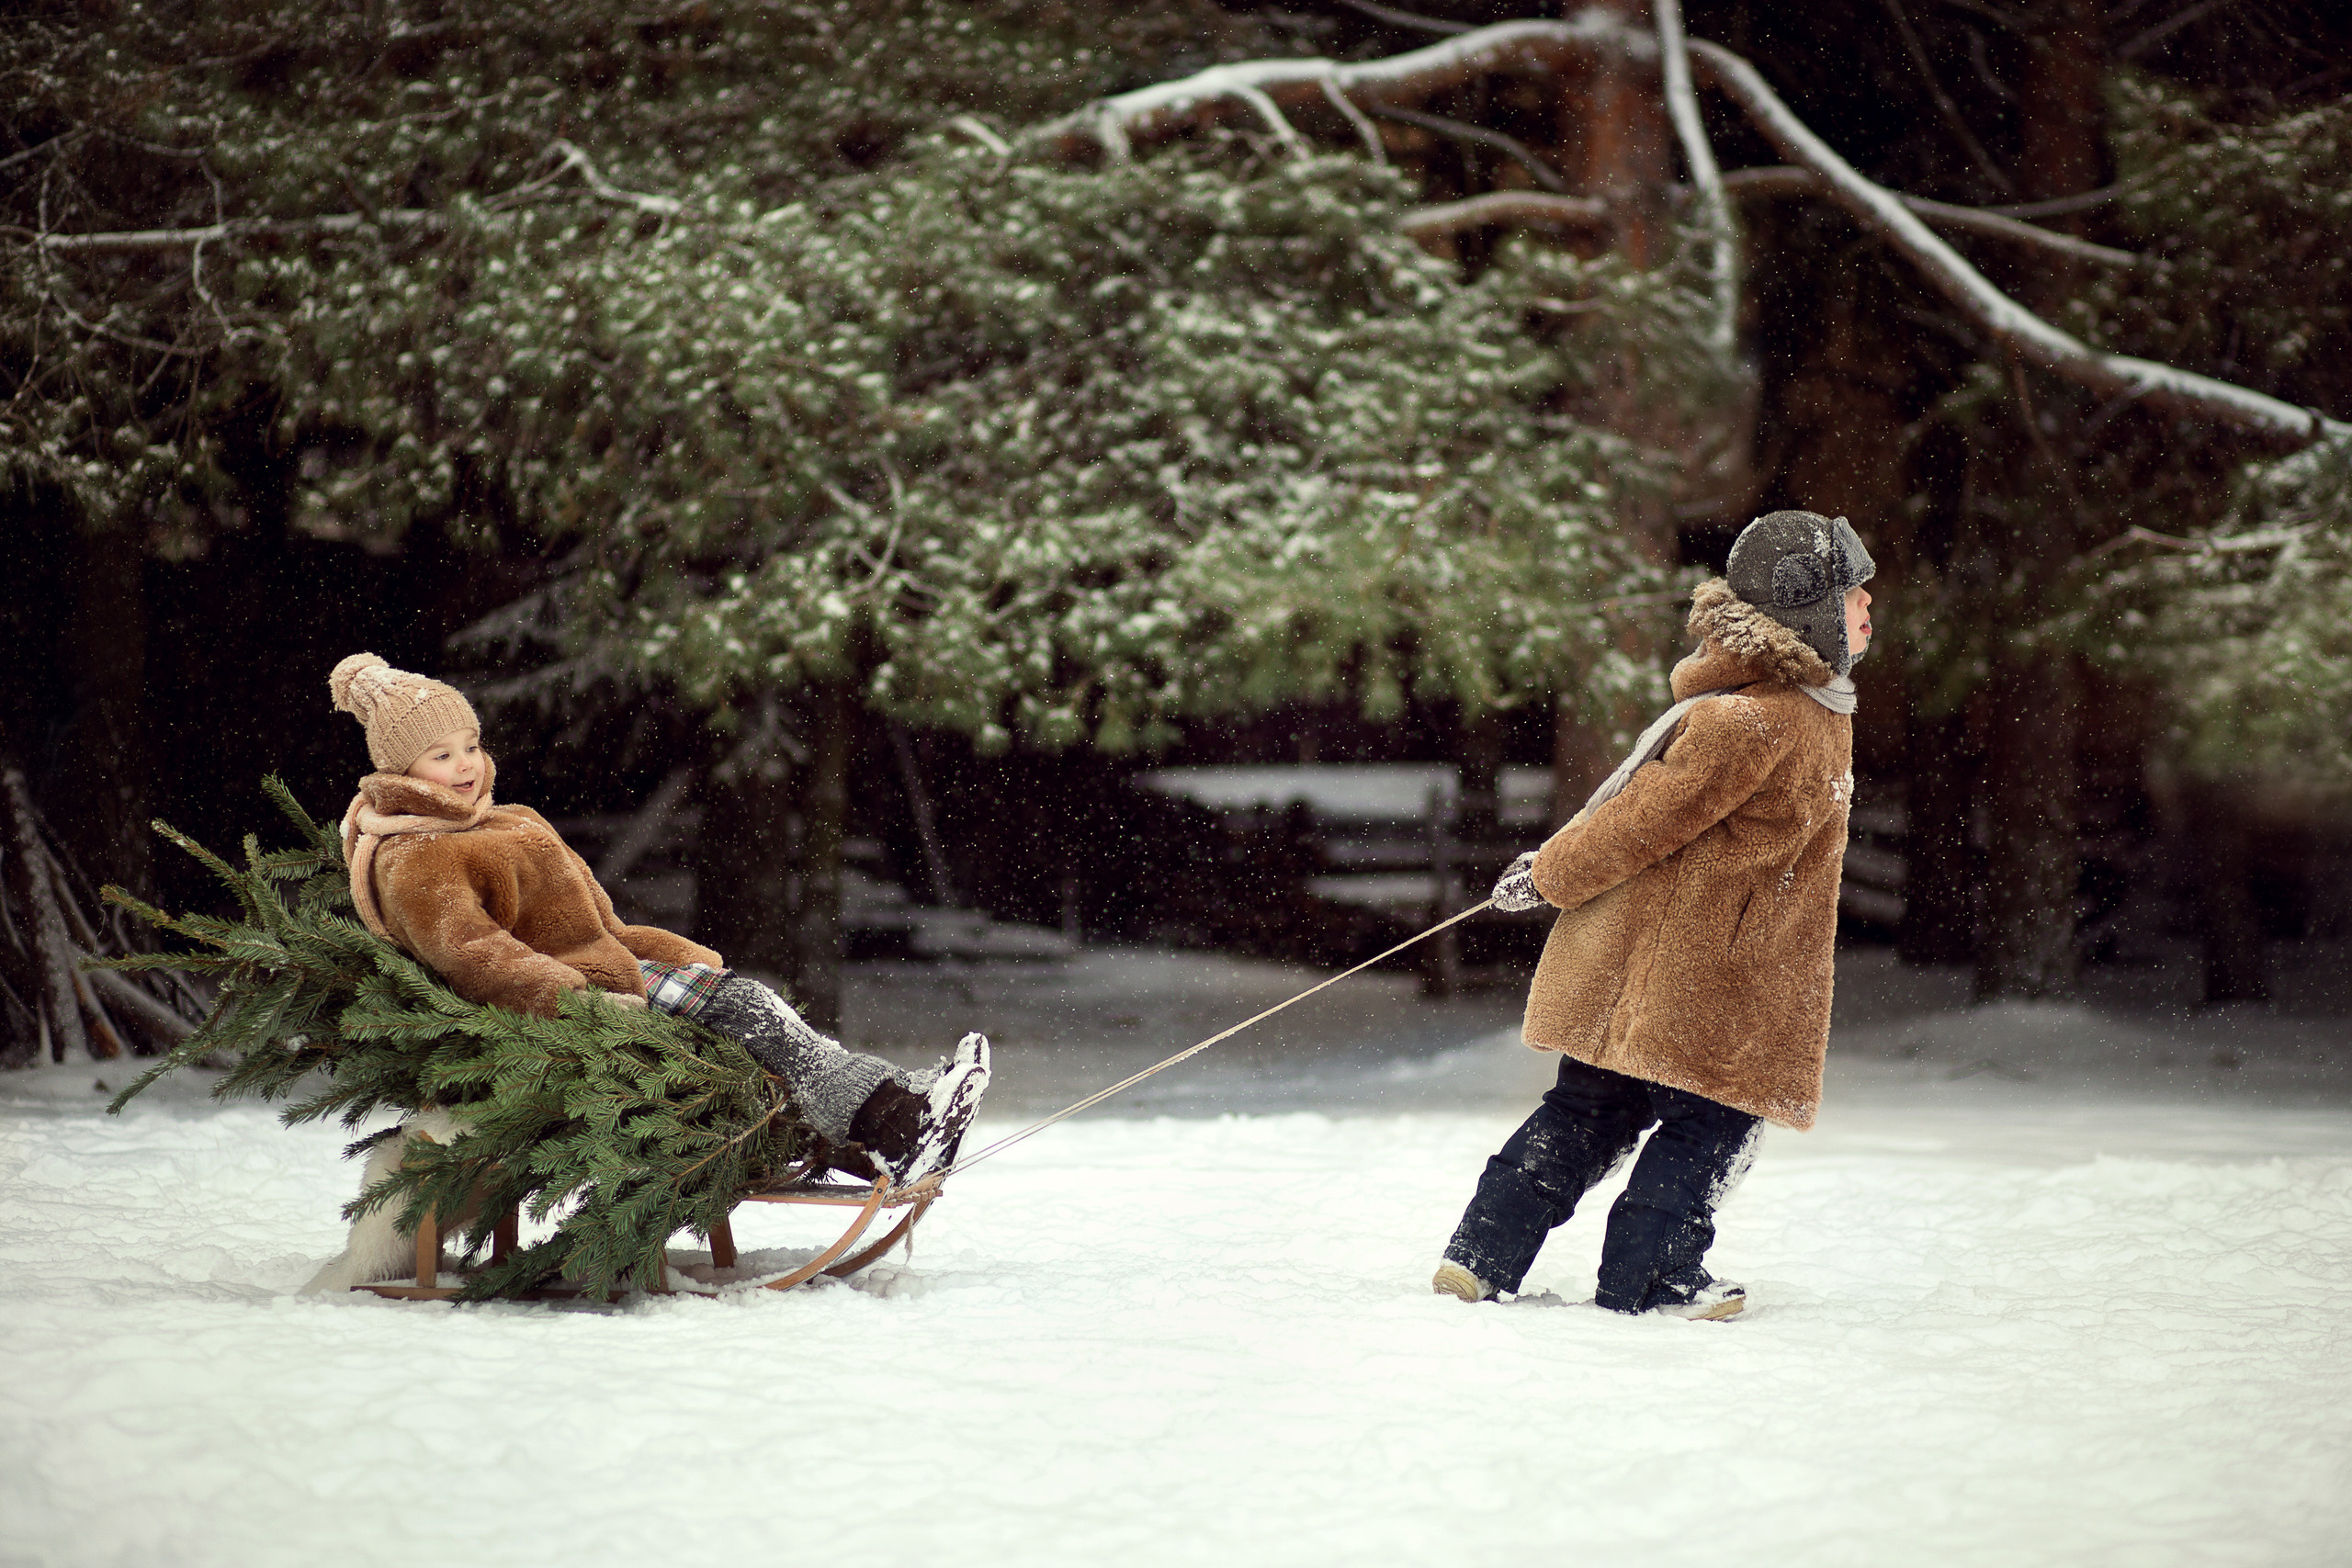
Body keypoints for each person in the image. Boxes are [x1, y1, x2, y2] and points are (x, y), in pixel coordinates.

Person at [301, 655, 986, 1293]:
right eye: (441, 755)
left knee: (750, 1009)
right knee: (749, 1012)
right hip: (556, 1013)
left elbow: (604, 926)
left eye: (470, 747)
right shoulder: (416, 854)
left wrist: (683, 958)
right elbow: (477, 955)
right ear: (403, 769)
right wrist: (580, 1000)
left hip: (608, 976)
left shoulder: (509, 820)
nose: (465, 766)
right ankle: (893, 1119)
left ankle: (893, 1116)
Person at [1433, 511, 1875, 1320]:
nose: (1868, 607)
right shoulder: (1758, 720)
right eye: (1853, 593)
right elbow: (1640, 818)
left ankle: (1483, 1250)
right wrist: (1551, 874)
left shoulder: (1803, 710)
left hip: (1680, 968)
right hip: (1707, 975)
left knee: (1596, 1107)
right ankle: (1652, 1274)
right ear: (1807, 607)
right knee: (1716, 1120)